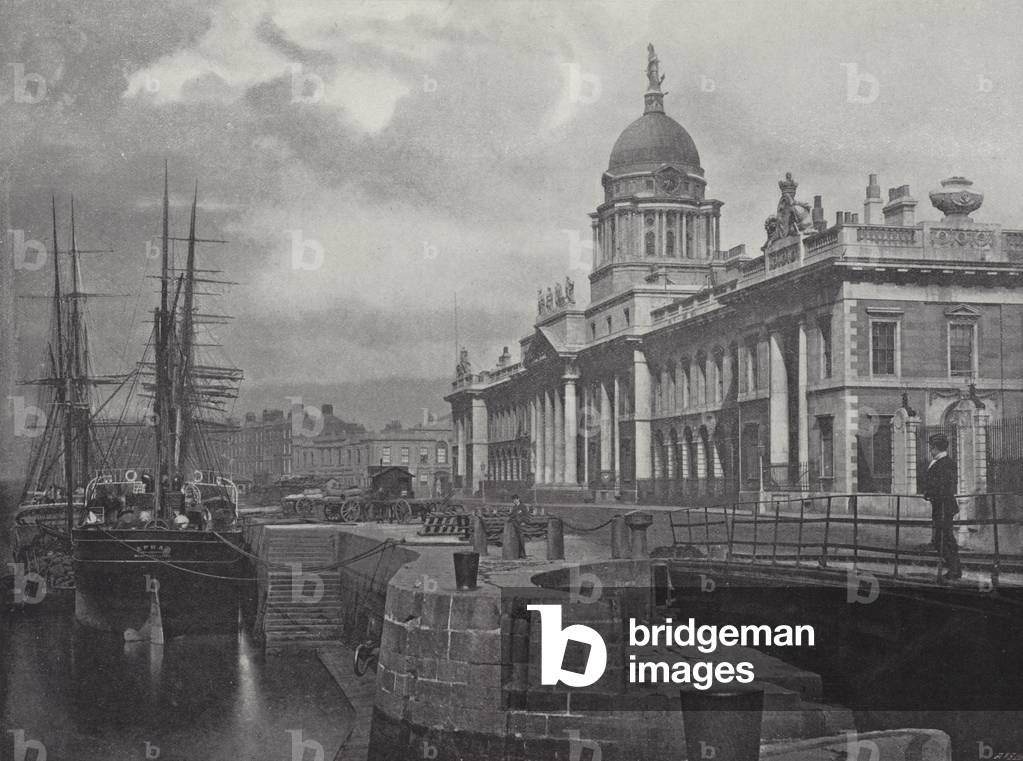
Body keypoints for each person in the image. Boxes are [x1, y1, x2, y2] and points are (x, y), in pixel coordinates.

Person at [922, 433, 962, 581]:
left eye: (931, 448)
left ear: (936, 448)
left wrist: (930, 492)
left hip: (944, 506)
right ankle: (955, 569)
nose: (930, 450)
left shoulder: (944, 463)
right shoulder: (941, 462)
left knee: (943, 539)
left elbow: (943, 486)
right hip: (941, 506)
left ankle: (954, 569)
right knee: (944, 538)